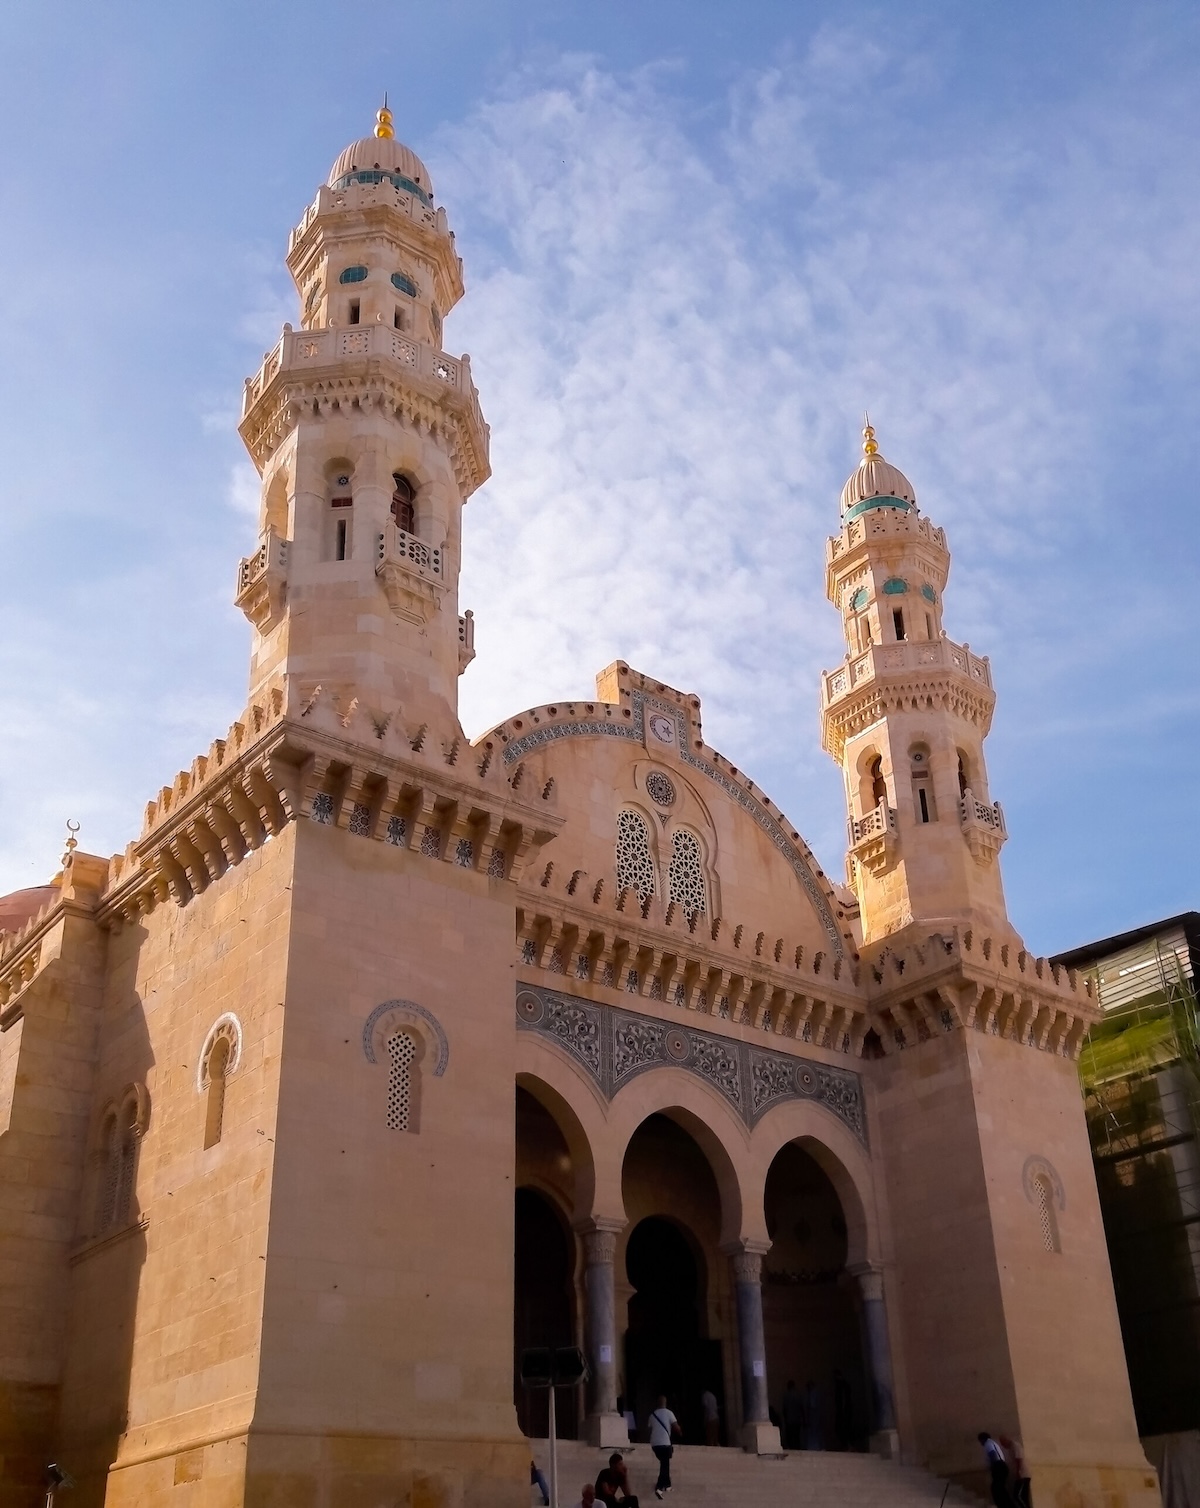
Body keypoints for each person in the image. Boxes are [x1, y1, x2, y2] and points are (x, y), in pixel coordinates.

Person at [648, 1395, 680, 1498]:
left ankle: (667, 1483)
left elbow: (649, 1428)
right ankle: (660, 1485)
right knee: (665, 1464)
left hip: (655, 1444)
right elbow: (676, 1427)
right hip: (665, 1443)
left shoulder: (652, 1415)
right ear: (665, 1403)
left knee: (664, 1463)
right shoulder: (669, 1413)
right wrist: (680, 1432)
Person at [979, 1431, 1015, 1508]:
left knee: (997, 1489)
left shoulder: (988, 1444)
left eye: (980, 1441)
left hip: (998, 1466)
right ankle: (1008, 1505)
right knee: (1000, 1488)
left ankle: (1005, 1505)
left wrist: (993, 1467)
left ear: (982, 1439)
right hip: (1002, 1466)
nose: (981, 1444)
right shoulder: (993, 1443)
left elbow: (993, 1454)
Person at [999, 1435, 1030, 1508]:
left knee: (1017, 1496)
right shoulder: (1011, 1448)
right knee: (1023, 1496)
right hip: (1021, 1474)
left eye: (1003, 1443)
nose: (1003, 1446)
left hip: (1022, 1475)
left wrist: (1018, 1472)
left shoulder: (1015, 1446)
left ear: (1006, 1441)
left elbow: (1018, 1459)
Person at [833, 1368, 854, 1451]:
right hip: (843, 1409)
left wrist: (842, 1409)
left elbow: (844, 1397)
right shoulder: (843, 1384)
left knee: (843, 1428)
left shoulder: (842, 1384)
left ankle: (847, 1445)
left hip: (844, 1410)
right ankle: (846, 1445)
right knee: (841, 1428)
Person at [781, 1379, 805, 1451]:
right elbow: (801, 1407)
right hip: (797, 1419)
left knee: (790, 1435)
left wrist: (785, 1419)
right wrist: (803, 1418)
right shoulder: (798, 1395)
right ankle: (797, 1448)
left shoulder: (786, 1395)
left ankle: (792, 1448)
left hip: (790, 1419)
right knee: (797, 1435)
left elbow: (784, 1409)